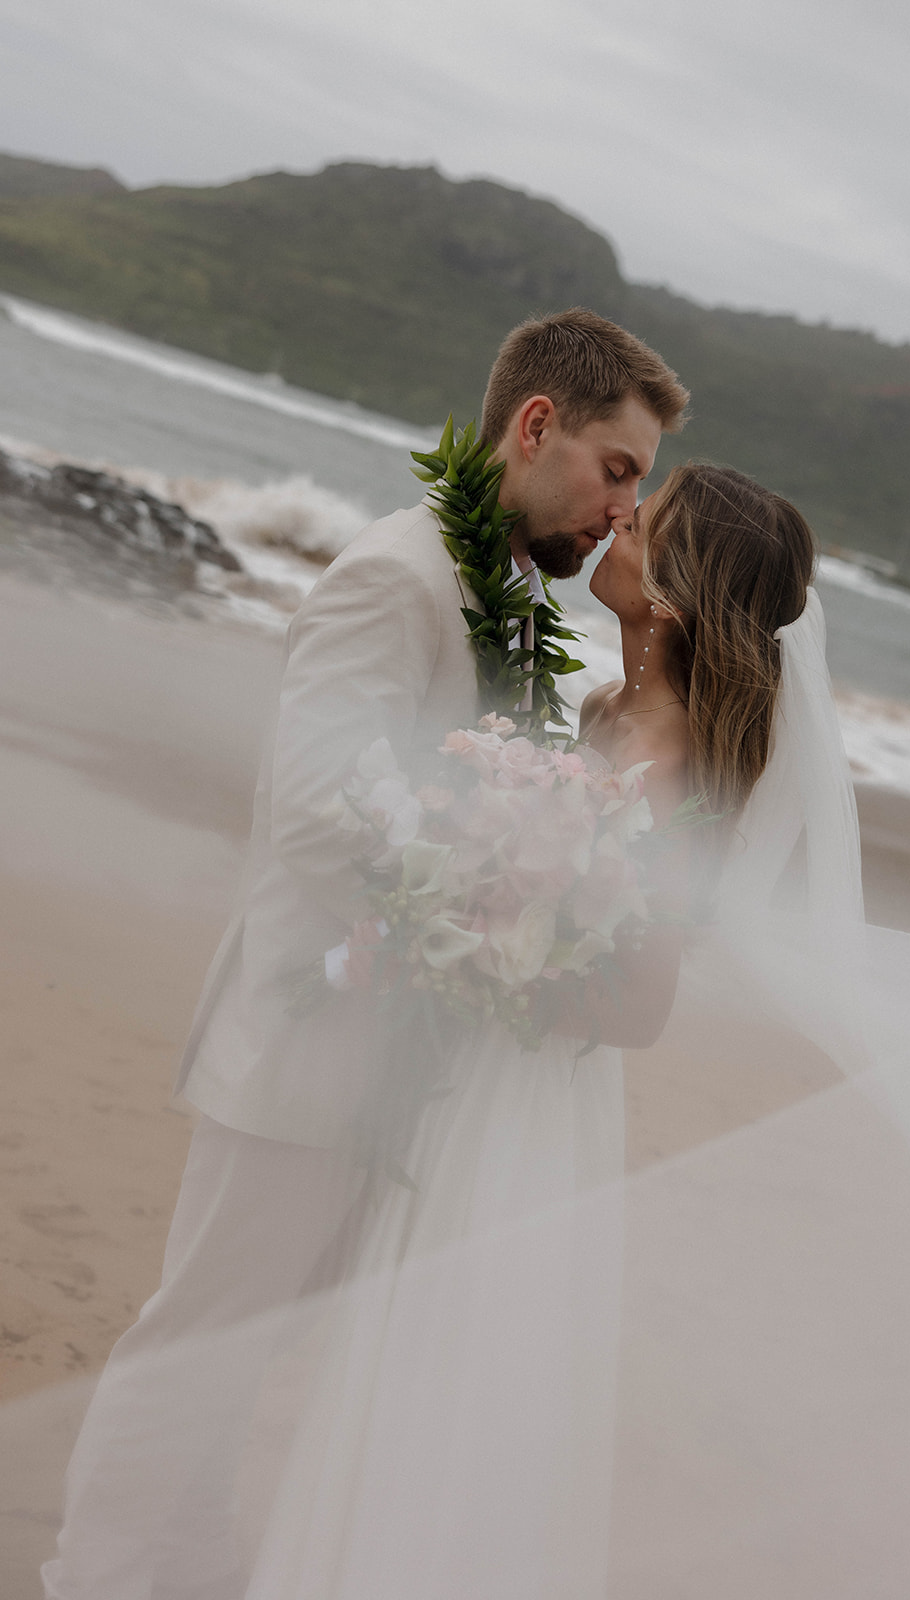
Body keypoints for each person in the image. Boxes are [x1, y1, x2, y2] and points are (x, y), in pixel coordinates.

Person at [41, 307, 689, 1600]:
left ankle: (177, 1569)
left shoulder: (492, 592)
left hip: (394, 1055)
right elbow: (323, 800)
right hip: (304, 1036)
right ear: (538, 425)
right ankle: (91, 1578)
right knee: (204, 1343)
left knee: (259, 1354)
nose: (627, 510)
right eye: (619, 470)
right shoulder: (397, 575)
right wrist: (514, 894)